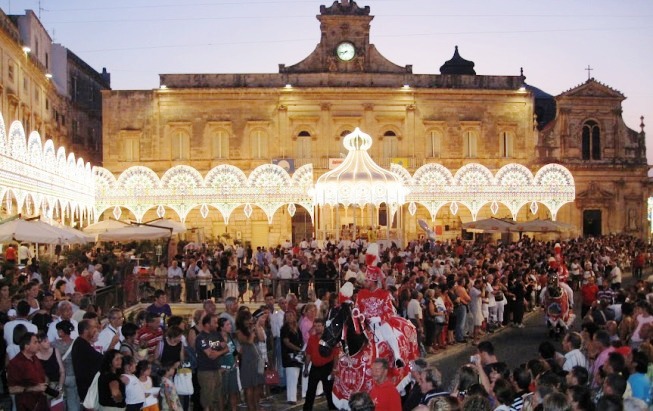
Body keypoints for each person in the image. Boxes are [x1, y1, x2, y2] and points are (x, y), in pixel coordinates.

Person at [7, 332, 49, 411]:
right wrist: (33, 388)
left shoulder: (35, 358)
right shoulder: (15, 363)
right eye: (35, 342)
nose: (38, 344)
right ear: (26, 347)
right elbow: (11, 389)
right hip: (27, 405)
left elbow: (42, 376)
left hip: (41, 403)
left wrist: (46, 386)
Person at [303, 318, 337, 411]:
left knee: (329, 391)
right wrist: (306, 368)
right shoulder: (312, 339)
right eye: (315, 326)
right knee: (310, 391)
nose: (317, 328)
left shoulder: (330, 338)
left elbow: (335, 355)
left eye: (319, 326)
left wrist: (334, 370)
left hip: (327, 367)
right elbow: (308, 354)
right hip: (315, 367)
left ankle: (332, 408)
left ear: (323, 326)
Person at [196, 313, 228, 411]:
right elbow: (210, 355)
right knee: (207, 398)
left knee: (216, 397)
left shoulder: (216, 334)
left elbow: (226, 348)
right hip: (206, 371)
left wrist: (218, 353)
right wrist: (219, 350)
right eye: (214, 322)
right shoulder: (201, 337)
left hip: (216, 369)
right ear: (207, 324)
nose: (217, 325)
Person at [236, 309, 265, 411]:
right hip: (248, 361)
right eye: (247, 319)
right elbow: (249, 341)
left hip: (257, 359)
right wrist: (252, 331)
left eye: (249, 318)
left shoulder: (252, 328)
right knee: (249, 386)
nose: (249, 321)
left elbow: (261, 339)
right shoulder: (239, 331)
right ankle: (250, 407)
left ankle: (257, 405)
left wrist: (256, 326)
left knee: (257, 385)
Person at [72, 319, 103, 402]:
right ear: (86, 330)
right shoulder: (81, 345)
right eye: (94, 327)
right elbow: (101, 359)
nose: (96, 330)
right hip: (88, 390)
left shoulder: (82, 343)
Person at [52, 320, 81, 411]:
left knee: (59, 403)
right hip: (73, 376)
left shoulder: (54, 344)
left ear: (61, 331)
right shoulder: (76, 344)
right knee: (73, 403)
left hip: (59, 377)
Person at [281, 310, 304, 405]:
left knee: (295, 376)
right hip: (289, 354)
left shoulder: (296, 327)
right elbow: (286, 342)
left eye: (291, 315)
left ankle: (293, 396)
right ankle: (291, 398)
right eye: (288, 315)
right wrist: (298, 348)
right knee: (291, 376)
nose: (290, 317)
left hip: (297, 354)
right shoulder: (285, 328)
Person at [217, 317, 239, 411]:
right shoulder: (216, 338)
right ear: (221, 327)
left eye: (230, 324)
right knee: (221, 394)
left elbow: (234, 351)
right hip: (223, 369)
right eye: (227, 325)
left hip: (232, 367)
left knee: (233, 392)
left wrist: (236, 361)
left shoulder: (230, 336)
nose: (230, 326)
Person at [35, 331, 64, 398]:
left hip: (57, 384)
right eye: (45, 341)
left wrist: (60, 387)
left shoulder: (55, 351)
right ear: (39, 344)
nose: (48, 342)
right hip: (45, 388)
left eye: (47, 339)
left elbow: (62, 371)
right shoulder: (35, 357)